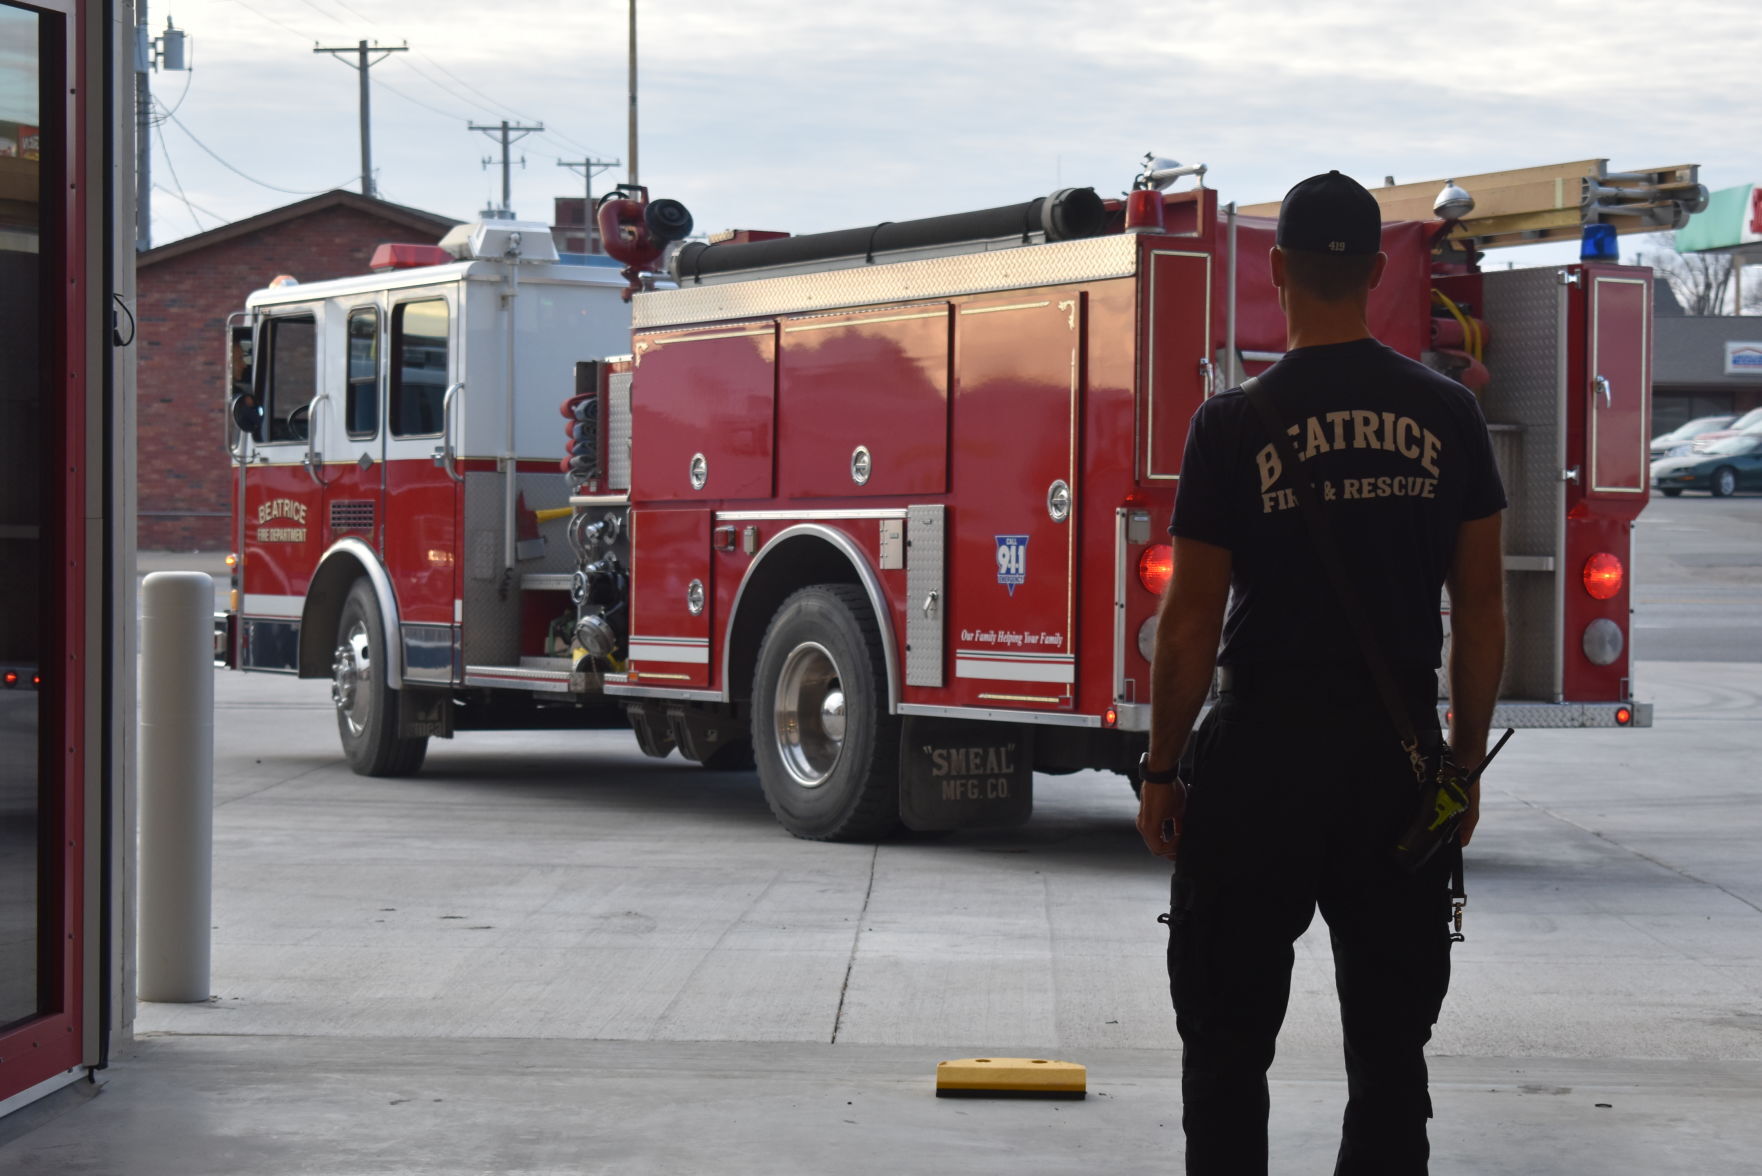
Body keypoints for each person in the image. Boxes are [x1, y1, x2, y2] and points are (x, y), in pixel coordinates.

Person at [1134, 170, 1507, 1175]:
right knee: (1390, 1055)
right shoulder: (1448, 417)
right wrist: (1461, 771)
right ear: (1380, 272)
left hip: (1259, 761)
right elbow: (1479, 609)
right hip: (1394, 769)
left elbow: (1189, 623)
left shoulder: (1230, 425)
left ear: (1279, 269)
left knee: (1224, 1046)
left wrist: (1162, 768)